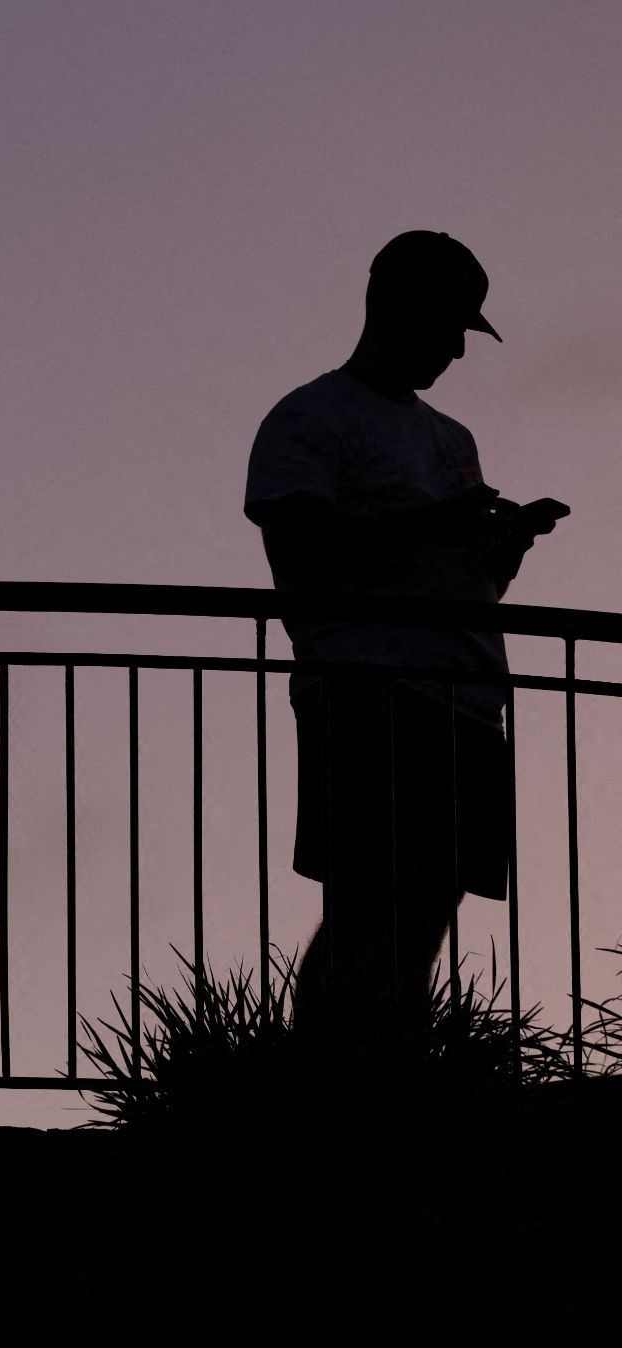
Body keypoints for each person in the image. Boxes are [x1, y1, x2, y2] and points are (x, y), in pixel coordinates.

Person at [244, 231, 564, 1043]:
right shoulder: (310, 417)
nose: (458, 348)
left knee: (428, 902)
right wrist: (435, 523)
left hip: (464, 696)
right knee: (367, 901)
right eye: (447, 324)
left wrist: (499, 552)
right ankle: (330, 1079)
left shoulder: (453, 438)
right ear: (390, 307)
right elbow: (303, 560)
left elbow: (467, 582)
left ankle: (388, 1069)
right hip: (363, 689)